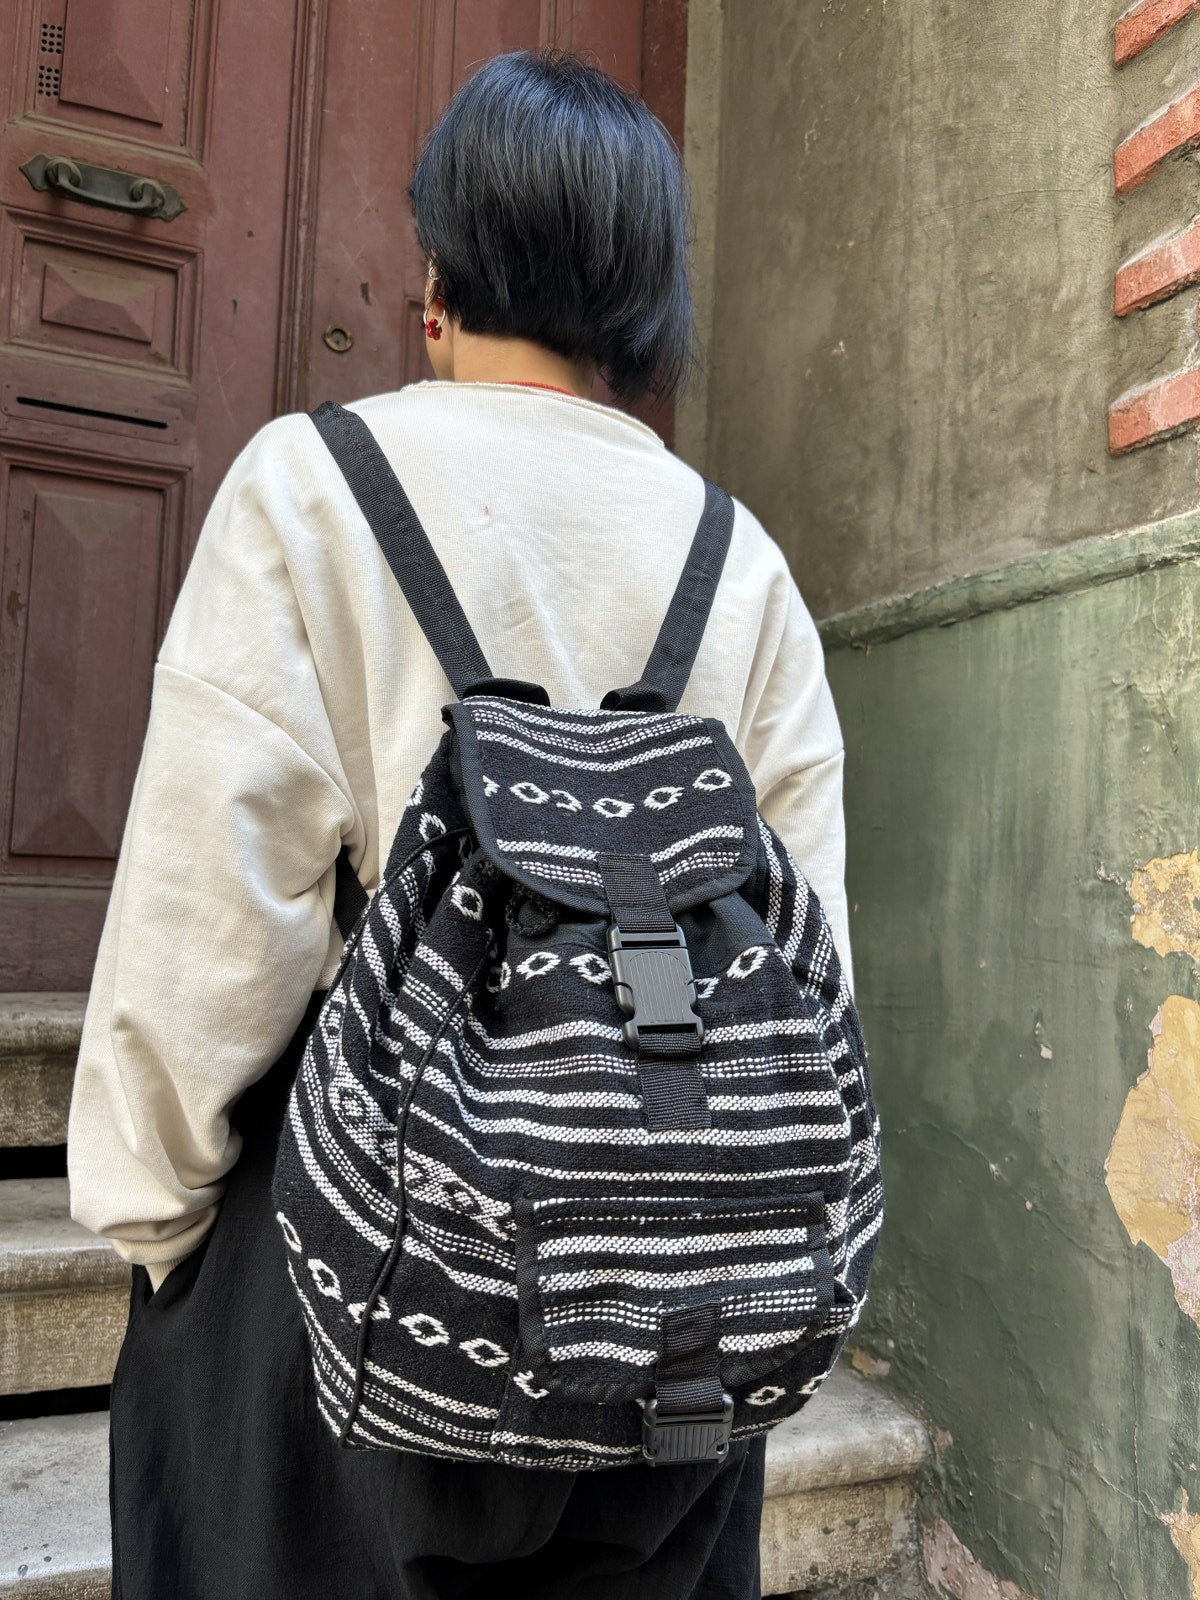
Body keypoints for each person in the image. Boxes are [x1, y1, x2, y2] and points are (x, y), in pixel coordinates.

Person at [66, 46, 853, 1600]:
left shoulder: (309, 488)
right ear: (650, 312)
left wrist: (161, 1234)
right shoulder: (741, 562)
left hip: (346, 1295)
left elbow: (204, 933)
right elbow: (813, 966)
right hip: (665, 1337)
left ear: (435, 282)